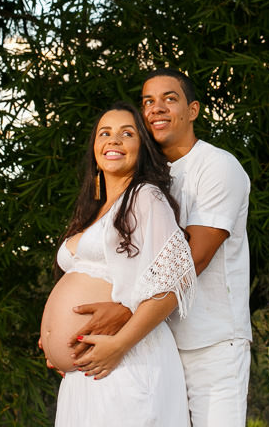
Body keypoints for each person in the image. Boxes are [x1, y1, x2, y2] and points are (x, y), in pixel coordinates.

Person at [72, 69, 252, 427]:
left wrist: (123, 311)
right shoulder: (148, 179)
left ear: (194, 109)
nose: (156, 108)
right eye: (148, 101)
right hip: (157, 341)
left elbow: (192, 258)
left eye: (170, 98)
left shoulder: (217, 166)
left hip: (211, 345)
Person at [39, 103, 197, 427]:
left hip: (127, 358)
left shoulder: (144, 197)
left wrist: (119, 344)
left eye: (127, 133)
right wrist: (53, 338)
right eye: (105, 133)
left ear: (142, 148)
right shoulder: (92, 209)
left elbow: (175, 281)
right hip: (89, 370)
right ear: (94, 146)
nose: (114, 141)